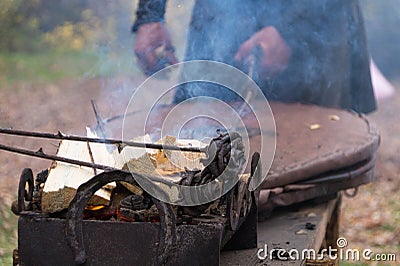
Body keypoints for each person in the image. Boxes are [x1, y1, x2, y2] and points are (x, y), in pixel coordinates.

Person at [132, 0, 376, 114]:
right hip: (221, 14)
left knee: (306, 160)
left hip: (311, 14)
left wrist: (290, 29)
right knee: (198, 135)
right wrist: (150, 14)